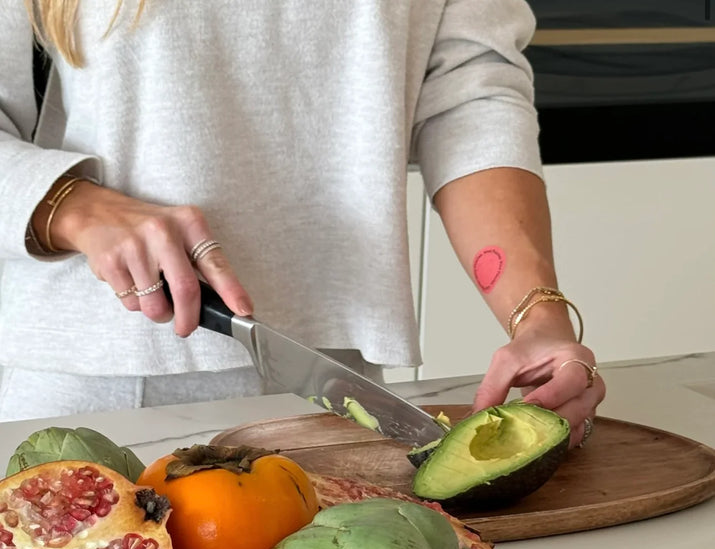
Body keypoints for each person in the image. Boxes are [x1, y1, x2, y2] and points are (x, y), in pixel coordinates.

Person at [0, 1, 604, 446]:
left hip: (334, 385)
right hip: (97, 378)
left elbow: (470, 96)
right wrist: (76, 207)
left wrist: (538, 316)